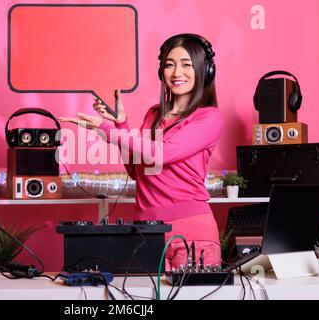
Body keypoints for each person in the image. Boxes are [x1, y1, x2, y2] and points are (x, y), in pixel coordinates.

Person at [59, 33, 224, 269]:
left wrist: (109, 131)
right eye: (170, 65)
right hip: (147, 230)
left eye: (186, 65)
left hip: (192, 232)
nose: (177, 73)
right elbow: (138, 170)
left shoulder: (209, 117)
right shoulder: (153, 114)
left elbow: (161, 153)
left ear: (205, 70)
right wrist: (120, 125)